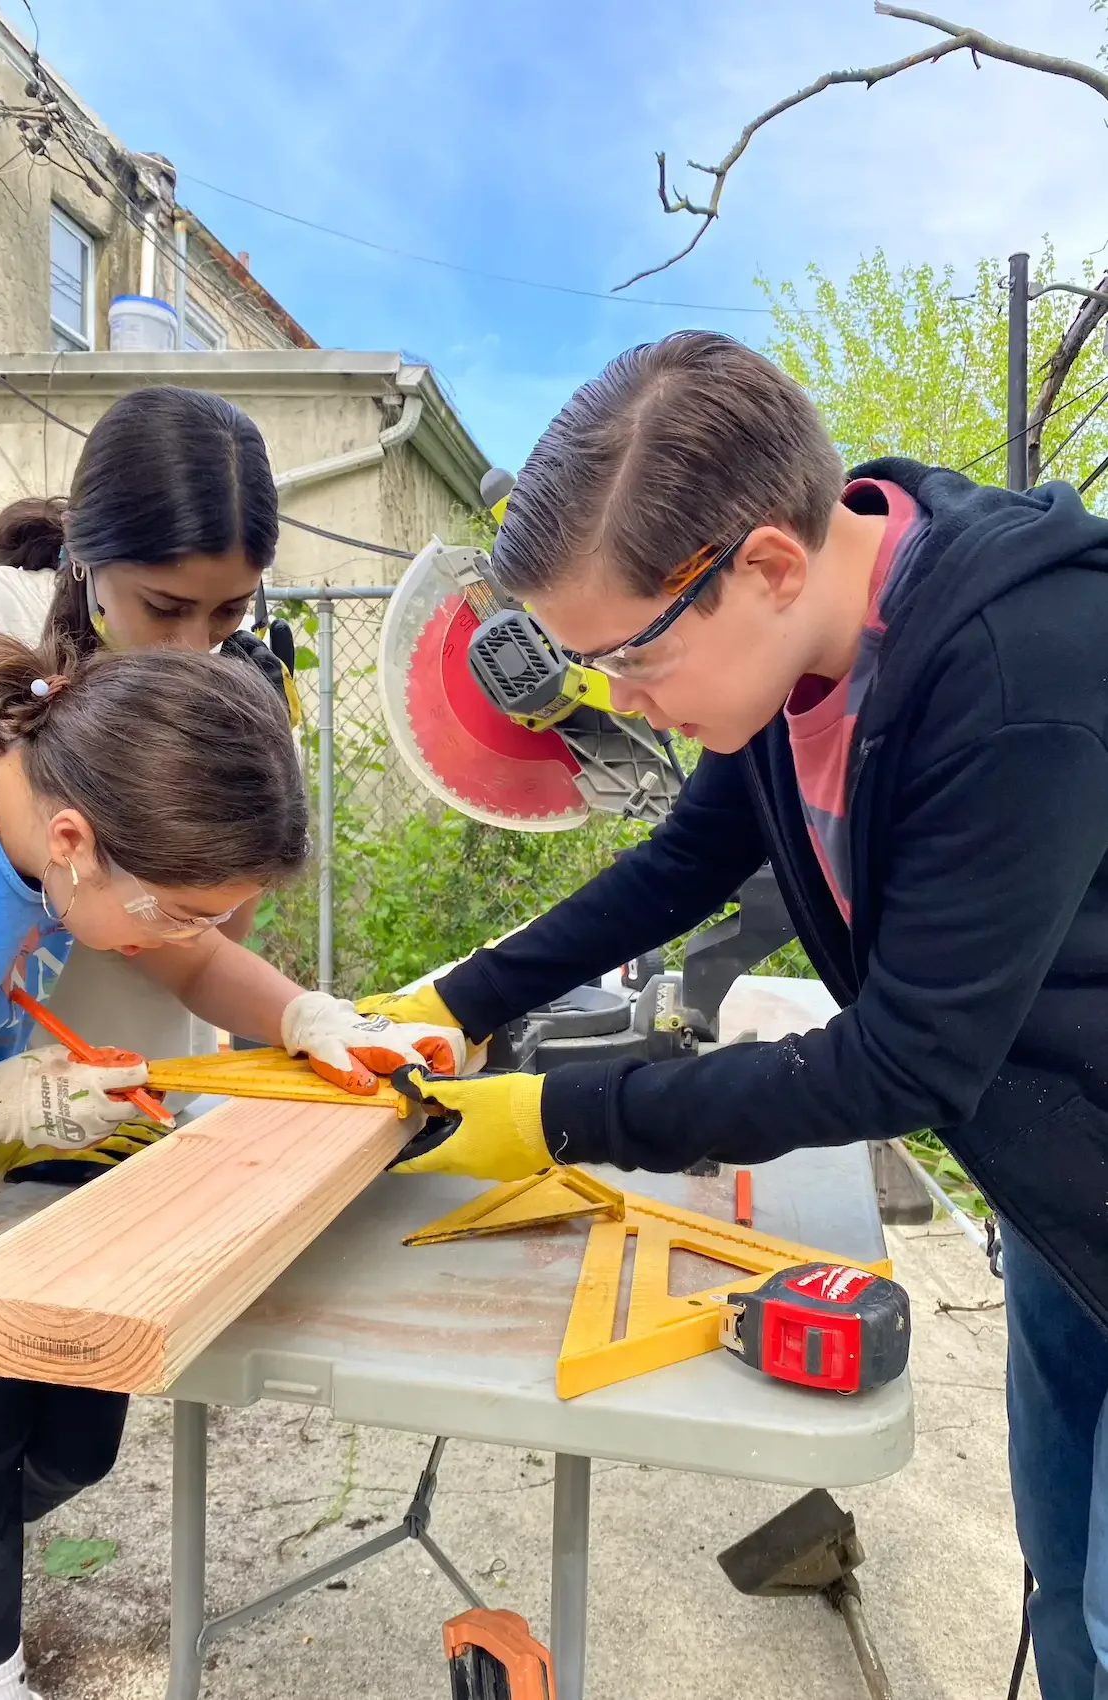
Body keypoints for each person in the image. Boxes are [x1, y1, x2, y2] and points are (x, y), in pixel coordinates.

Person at [364, 330, 1108, 1700]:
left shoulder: (1019, 669)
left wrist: (554, 1115)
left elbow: (904, 1059)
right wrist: (454, 1000)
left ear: (763, 562)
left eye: (628, 660)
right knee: (1064, 1584)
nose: (620, 702)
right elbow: (677, 866)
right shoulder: (792, 653)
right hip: (1065, 1199)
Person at [0, 386, 463, 1697]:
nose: (198, 640)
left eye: (227, 612)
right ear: (88, 562)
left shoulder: (85, 831)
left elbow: (156, 920)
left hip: (44, 1094)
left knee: (36, 1449)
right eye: (164, 606)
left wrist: (298, 1013)